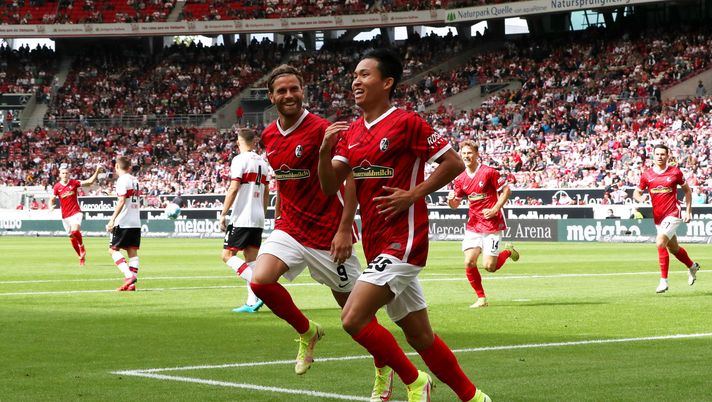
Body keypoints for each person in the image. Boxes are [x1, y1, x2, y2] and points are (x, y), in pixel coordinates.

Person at [318, 48, 490, 402]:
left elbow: (454, 163)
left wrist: (413, 194)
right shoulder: (351, 133)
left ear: (387, 82)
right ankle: (474, 398)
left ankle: (414, 382)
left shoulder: (408, 123)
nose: (356, 81)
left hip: (405, 239)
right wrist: (323, 153)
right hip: (377, 243)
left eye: (365, 74)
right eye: (354, 75)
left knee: (352, 318)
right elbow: (330, 186)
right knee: (420, 337)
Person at [249, 65, 363, 377]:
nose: (289, 95)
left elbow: (350, 178)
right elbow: (284, 182)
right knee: (260, 280)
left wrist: (344, 230)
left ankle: (388, 368)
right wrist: (279, 218)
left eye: (294, 89)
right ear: (271, 97)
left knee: (357, 318)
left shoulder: (321, 129)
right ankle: (307, 331)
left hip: (329, 233)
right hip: (291, 227)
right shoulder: (269, 134)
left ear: (303, 91)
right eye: (282, 91)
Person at [447, 140, 519, 309]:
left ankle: (508, 251)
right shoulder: (460, 178)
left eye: (470, 153)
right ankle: (481, 298)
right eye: (464, 153)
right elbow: (455, 204)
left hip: (491, 225)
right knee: (469, 262)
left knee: (489, 267)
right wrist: (450, 200)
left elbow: (506, 190)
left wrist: (495, 209)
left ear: (477, 154)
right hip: (473, 225)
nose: (466, 156)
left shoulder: (489, 172)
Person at [633, 144, 700, 293]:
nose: (660, 157)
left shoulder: (675, 172)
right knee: (673, 248)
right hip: (658, 217)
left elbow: (687, 191)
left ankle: (664, 281)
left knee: (660, 242)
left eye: (663, 154)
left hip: (673, 213)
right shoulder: (647, 175)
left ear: (668, 156)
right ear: (653, 155)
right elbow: (636, 193)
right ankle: (692, 266)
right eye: (657, 154)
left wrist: (688, 211)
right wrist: (641, 198)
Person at [219, 128, 270, 313]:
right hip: (257, 218)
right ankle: (251, 303)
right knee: (251, 259)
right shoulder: (263, 162)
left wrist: (223, 213)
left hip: (242, 216)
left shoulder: (239, 159)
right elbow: (267, 192)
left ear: (239, 142)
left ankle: (262, 290)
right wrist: (262, 214)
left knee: (227, 256)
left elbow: (233, 188)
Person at [49, 164, 102, 266]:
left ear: (69, 174)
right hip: (65, 216)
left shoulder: (74, 183)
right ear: (60, 174)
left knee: (75, 231)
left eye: (66, 173)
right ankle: (80, 256)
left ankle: (81, 246)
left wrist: (97, 171)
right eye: (63, 173)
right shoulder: (57, 187)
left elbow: (89, 182)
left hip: (75, 212)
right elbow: (51, 200)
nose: (65, 175)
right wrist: (50, 206)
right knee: (71, 237)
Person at [106, 156, 142, 292]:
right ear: (129, 167)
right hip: (135, 221)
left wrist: (112, 219)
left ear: (116, 166)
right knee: (132, 251)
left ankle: (129, 277)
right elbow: (129, 196)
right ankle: (131, 285)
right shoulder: (135, 180)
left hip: (124, 221)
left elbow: (121, 201)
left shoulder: (122, 180)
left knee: (112, 250)